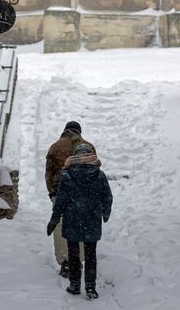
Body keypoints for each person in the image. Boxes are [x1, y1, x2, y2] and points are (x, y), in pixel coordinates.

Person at [47, 143, 113, 300]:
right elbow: (107, 197)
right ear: (90, 155)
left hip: (72, 219)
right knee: (90, 255)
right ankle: (91, 287)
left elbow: (61, 201)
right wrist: (105, 213)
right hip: (92, 220)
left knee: (74, 255)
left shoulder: (67, 174)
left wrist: (54, 219)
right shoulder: (99, 174)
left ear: (75, 156)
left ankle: (75, 285)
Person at [45, 121, 96, 278]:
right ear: (79, 131)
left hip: (60, 191)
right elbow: (94, 169)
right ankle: (78, 260)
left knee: (60, 225)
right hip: (83, 193)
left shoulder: (55, 146)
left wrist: (52, 192)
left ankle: (65, 261)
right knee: (80, 224)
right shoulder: (88, 146)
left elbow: (49, 172)